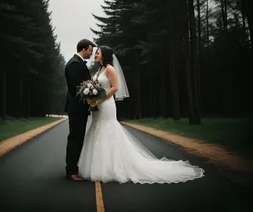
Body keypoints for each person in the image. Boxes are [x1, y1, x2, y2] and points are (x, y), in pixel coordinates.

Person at [78, 46, 205, 184]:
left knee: (107, 130)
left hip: (107, 104)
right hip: (98, 106)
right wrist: (91, 94)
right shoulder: (99, 70)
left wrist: (100, 98)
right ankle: (97, 166)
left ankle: (112, 168)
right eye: (95, 52)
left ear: (105, 55)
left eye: (98, 52)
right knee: (97, 129)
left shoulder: (109, 68)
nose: (95, 54)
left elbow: (115, 87)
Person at [64, 38, 96, 181]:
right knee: (75, 139)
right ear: (83, 49)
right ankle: (71, 171)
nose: (91, 53)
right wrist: (92, 97)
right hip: (77, 108)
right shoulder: (74, 64)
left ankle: (73, 169)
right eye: (90, 50)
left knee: (77, 138)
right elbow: (77, 89)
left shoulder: (77, 63)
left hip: (79, 108)